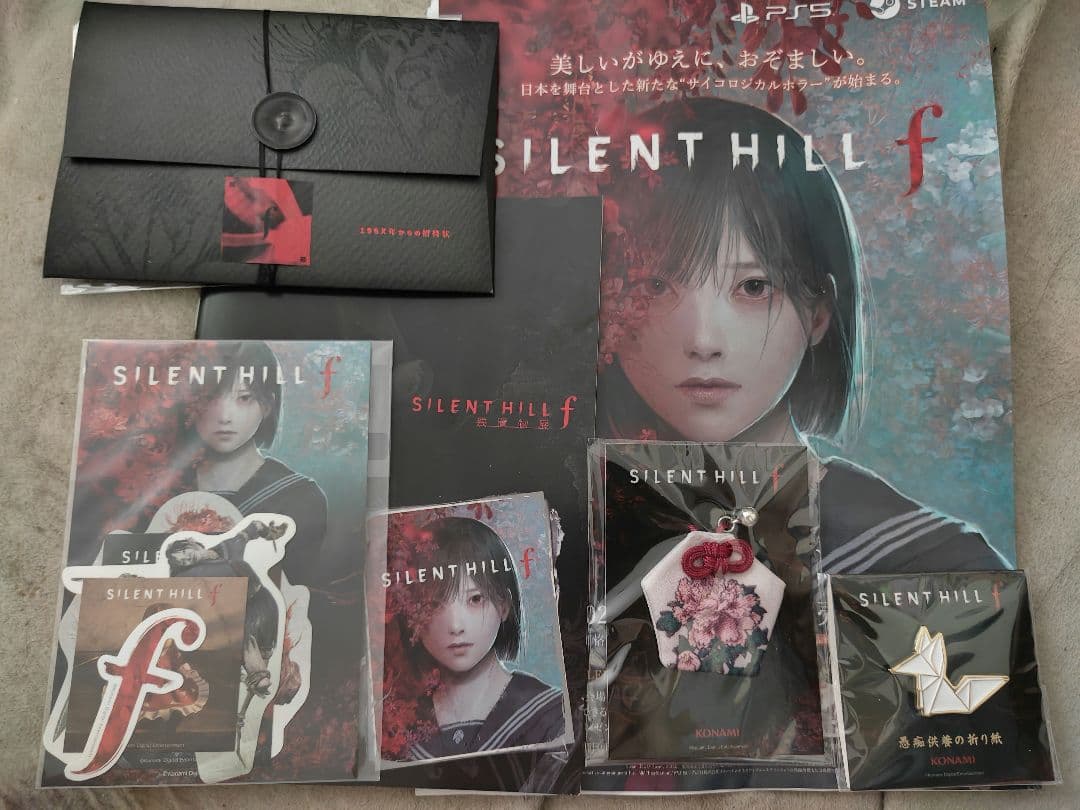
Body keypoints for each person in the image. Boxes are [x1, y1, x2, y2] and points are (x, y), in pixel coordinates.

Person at [597, 98, 1006, 574]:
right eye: (654, 286)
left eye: (754, 287)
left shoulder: (931, 563)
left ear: (818, 314)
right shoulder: (565, 529)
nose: (704, 342)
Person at [393, 517, 565, 761]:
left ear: (504, 605)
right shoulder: (398, 728)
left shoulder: (551, 714)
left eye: (475, 599)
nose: (456, 626)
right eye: (433, 604)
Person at [181, 341, 328, 585]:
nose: (225, 417)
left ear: (267, 405)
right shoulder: (159, 486)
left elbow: (293, 594)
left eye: (244, 398)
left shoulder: (299, 498)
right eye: (211, 397)